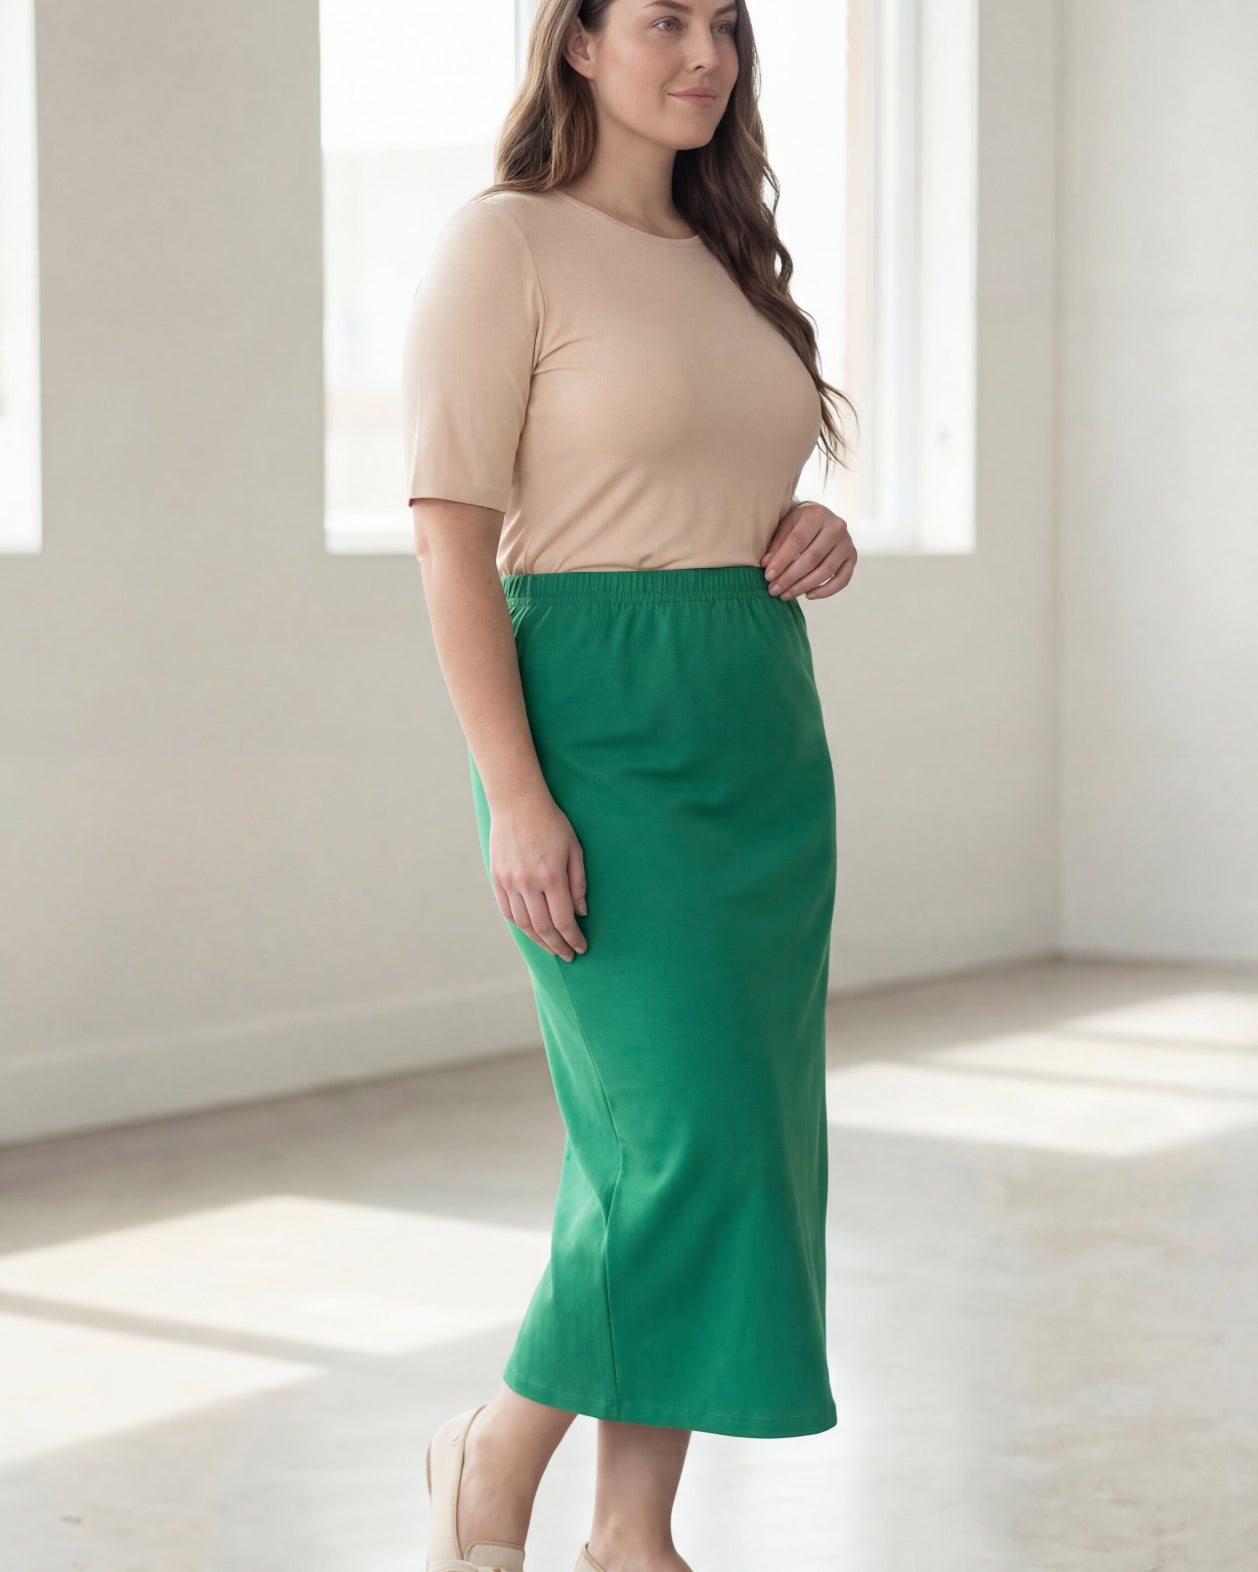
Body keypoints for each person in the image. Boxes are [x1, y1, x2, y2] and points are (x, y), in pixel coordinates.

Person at [401, 3, 859, 1570]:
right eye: (664, 18)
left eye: (726, 23)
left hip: (755, 724)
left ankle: (630, 1533)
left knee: (728, 1133)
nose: (705, 53)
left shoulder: (726, 254)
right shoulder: (505, 244)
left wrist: (810, 532)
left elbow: (725, 482)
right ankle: (499, 1446)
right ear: (577, 41)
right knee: (678, 1139)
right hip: (594, 726)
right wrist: (515, 797)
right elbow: (451, 535)